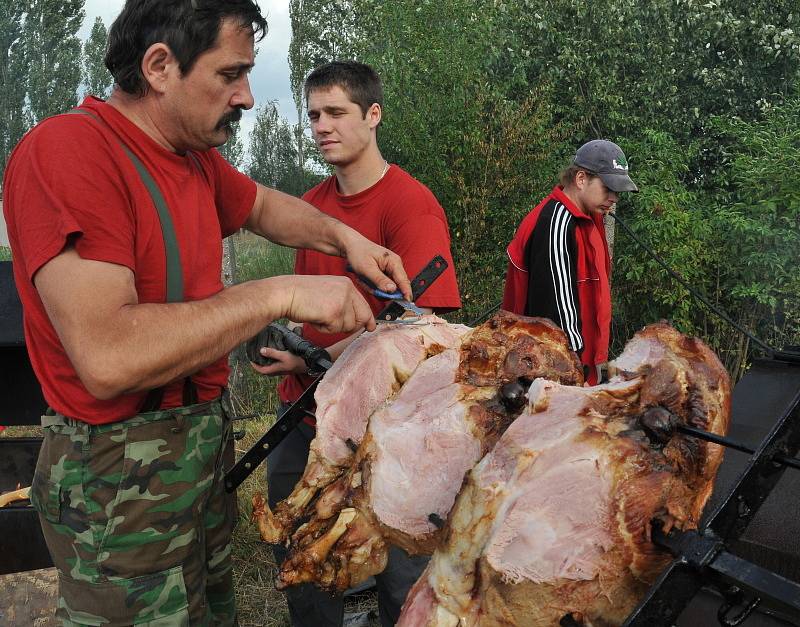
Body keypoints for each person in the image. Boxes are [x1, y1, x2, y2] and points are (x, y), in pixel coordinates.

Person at [2, 3, 414, 626]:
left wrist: (345, 239)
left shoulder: (190, 157)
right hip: (117, 479)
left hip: (201, 456)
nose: (247, 97)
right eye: (231, 74)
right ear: (161, 66)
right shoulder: (70, 153)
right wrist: (279, 293)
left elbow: (262, 207)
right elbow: (109, 357)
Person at [252, 61, 461, 627]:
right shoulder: (309, 208)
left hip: (387, 435)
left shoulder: (410, 205)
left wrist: (314, 358)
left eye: (337, 112)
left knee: (400, 578)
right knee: (303, 562)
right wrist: (294, 350)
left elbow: (423, 332)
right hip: (303, 420)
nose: (322, 126)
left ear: (373, 116)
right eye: (315, 114)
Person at [502, 140, 638, 385]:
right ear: (581, 179)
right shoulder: (556, 222)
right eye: (608, 188)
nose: (614, 198)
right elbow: (556, 312)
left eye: (618, 192)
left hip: (579, 366)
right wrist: (577, 373)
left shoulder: (589, 217)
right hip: (554, 372)